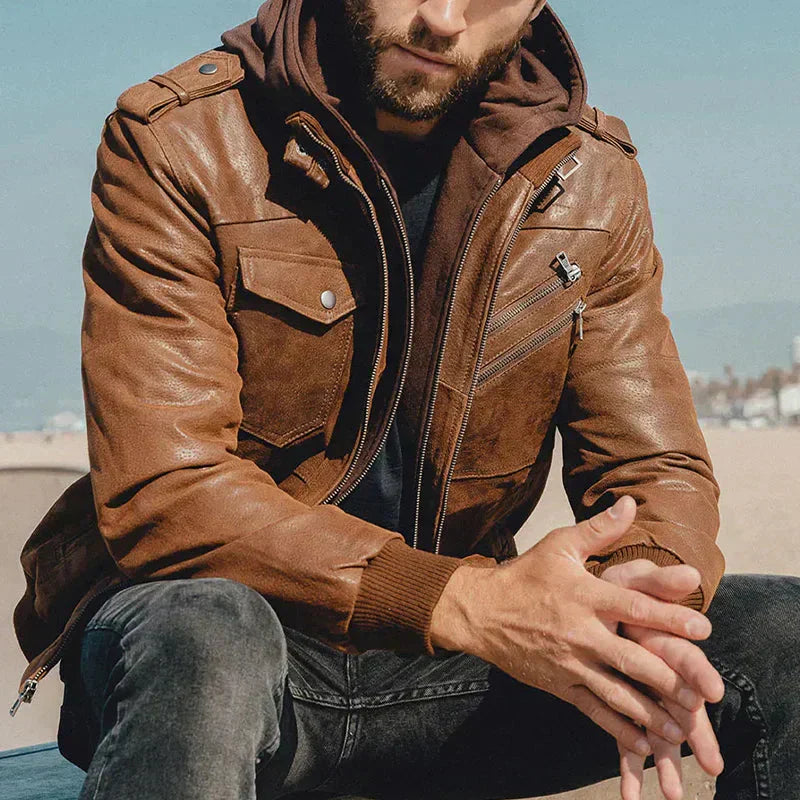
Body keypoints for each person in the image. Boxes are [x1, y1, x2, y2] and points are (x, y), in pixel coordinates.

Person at [10, 1, 800, 798]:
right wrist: (461, 601)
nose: (443, 19)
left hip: (456, 672)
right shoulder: (180, 138)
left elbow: (654, 466)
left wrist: (640, 607)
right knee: (208, 631)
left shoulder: (590, 180)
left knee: (786, 636)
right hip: (229, 661)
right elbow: (168, 494)